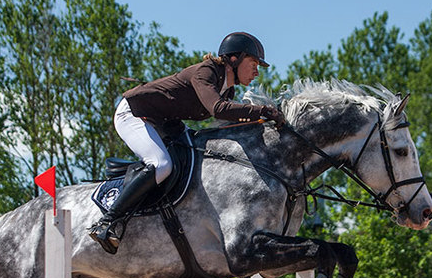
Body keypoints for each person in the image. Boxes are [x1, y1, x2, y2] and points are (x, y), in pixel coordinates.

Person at [89, 32, 286, 253]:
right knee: (161, 164)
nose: (257, 72)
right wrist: (263, 111)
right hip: (134, 114)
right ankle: (107, 222)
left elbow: (227, 123)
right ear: (234, 59)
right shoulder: (207, 72)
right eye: (253, 63)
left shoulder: (226, 88)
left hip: (164, 122)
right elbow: (218, 109)